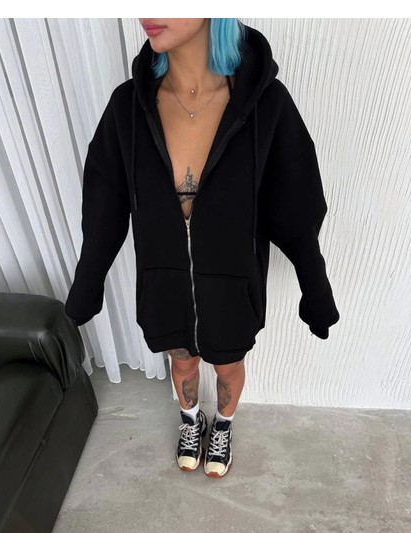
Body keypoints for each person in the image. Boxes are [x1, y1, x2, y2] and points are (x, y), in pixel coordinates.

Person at [65, 19, 340, 479]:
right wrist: (86, 286)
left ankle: (223, 425)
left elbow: (296, 205)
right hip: (163, 289)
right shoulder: (127, 109)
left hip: (233, 292)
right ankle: (191, 420)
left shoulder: (266, 105)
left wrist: (316, 291)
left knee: (228, 368)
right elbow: (103, 208)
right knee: (183, 364)